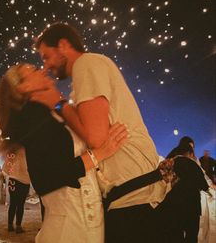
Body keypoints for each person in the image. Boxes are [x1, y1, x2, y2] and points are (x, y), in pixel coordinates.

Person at [33, 21, 168, 243]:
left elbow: (96, 137)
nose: (46, 66)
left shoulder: (86, 64)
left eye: (46, 56)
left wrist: (58, 103)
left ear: (64, 45)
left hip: (134, 199)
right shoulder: (91, 69)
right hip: (134, 196)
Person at [0, 63, 127, 243]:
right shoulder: (33, 114)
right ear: (23, 87)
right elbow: (46, 180)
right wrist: (99, 153)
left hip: (77, 222)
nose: (43, 70)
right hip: (72, 227)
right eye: (34, 71)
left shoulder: (43, 114)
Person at [2, 146, 30, 233]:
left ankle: (10, 225)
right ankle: (18, 226)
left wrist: (12, 173)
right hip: (24, 181)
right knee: (20, 204)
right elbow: (27, 167)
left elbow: (5, 169)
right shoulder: (26, 150)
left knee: (13, 203)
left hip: (12, 181)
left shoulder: (11, 150)